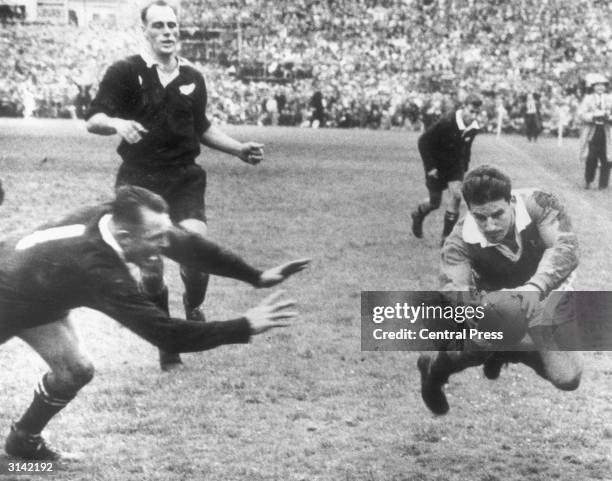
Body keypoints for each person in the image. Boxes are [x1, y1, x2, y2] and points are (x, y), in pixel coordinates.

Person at [1, 185, 309, 460]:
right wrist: (244, 326)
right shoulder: (98, 268)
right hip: (8, 295)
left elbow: (186, 244)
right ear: (125, 238)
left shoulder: (117, 219)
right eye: (156, 239)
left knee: (76, 370)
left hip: (36, 295)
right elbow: (166, 334)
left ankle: (23, 443)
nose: (164, 245)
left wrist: (255, 276)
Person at [85, 0, 265, 370]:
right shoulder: (125, 71)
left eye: (173, 26)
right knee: (151, 271)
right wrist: (118, 124)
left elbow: (202, 127)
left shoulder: (193, 77)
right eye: (160, 26)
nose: (168, 32)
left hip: (184, 176)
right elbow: (94, 119)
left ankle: (193, 304)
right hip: (139, 179)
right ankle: (168, 345)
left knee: (196, 258)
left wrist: (238, 149)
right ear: (145, 31)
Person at [417, 165, 582, 415]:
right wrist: (483, 316)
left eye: (497, 214)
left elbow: (567, 247)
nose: (491, 225)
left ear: (511, 201)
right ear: (469, 210)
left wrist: (534, 288)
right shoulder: (458, 242)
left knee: (568, 377)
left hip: (543, 297)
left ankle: (505, 352)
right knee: (478, 345)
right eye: (480, 217)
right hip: (492, 306)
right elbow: (456, 292)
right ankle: (434, 369)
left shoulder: (541, 203)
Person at [410, 94, 482, 243]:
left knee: (456, 196)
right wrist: (430, 167)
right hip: (437, 164)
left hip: (455, 166)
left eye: (477, 113)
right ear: (464, 107)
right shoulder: (447, 121)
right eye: (471, 111)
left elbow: (466, 149)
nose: (474, 116)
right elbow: (423, 141)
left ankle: (446, 238)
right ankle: (418, 215)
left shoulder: (474, 127)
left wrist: (464, 168)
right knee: (434, 203)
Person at [577, 73, 612, 189]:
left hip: (607, 131)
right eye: (597, 85)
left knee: (607, 158)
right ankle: (588, 180)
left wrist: (609, 117)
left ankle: (603, 184)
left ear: (606, 86)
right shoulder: (588, 99)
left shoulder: (610, 98)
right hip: (593, 131)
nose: (600, 87)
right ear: (593, 86)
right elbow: (581, 114)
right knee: (591, 157)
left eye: (602, 85)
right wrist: (593, 116)